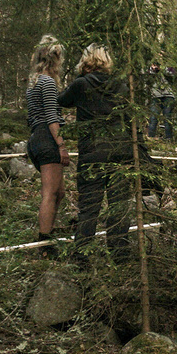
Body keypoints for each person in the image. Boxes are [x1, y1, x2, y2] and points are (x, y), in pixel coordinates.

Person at [58, 44, 132, 261]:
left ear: (86, 61)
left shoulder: (81, 84)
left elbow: (61, 101)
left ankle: (81, 256)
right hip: (119, 152)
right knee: (119, 205)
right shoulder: (121, 86)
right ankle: (119, 254)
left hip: (92, 153)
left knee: (89, 208)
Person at [25, 35, 69, 249]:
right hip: (46, 138)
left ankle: (48, 230)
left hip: (36, 137)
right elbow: (52, 116)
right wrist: (61, 145)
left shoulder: (33, 82)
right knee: (50, 193)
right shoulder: (48, 82)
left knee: (58, 192)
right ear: (54, 60)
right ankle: (44, 242)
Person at [146, 62, 176, 140]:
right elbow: (146, 77)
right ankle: (151, 137)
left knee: (167, 118)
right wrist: (153, 69)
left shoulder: (170, 65)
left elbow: (171, 74)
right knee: (153, 117)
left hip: (168, 95)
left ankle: (169, 138)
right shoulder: (150, 66)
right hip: (155, 96)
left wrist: (162, 68)